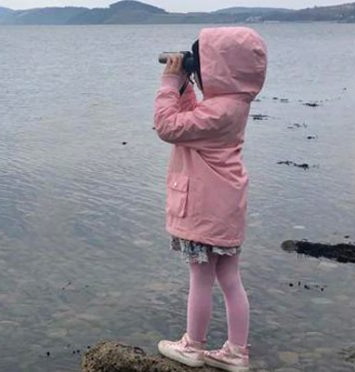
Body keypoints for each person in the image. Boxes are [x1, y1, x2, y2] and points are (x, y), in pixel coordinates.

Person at [152, 27, 267, 372]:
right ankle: (236, 351)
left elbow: (167, 126)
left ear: (219, 70)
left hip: (205, 208)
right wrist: (186, 86)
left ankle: (193, 345)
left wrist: (169, 83)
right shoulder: (232, 105)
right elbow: (190, 121)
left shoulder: (218, 112)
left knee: (200, 278)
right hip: (225, 207)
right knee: (230, 279)